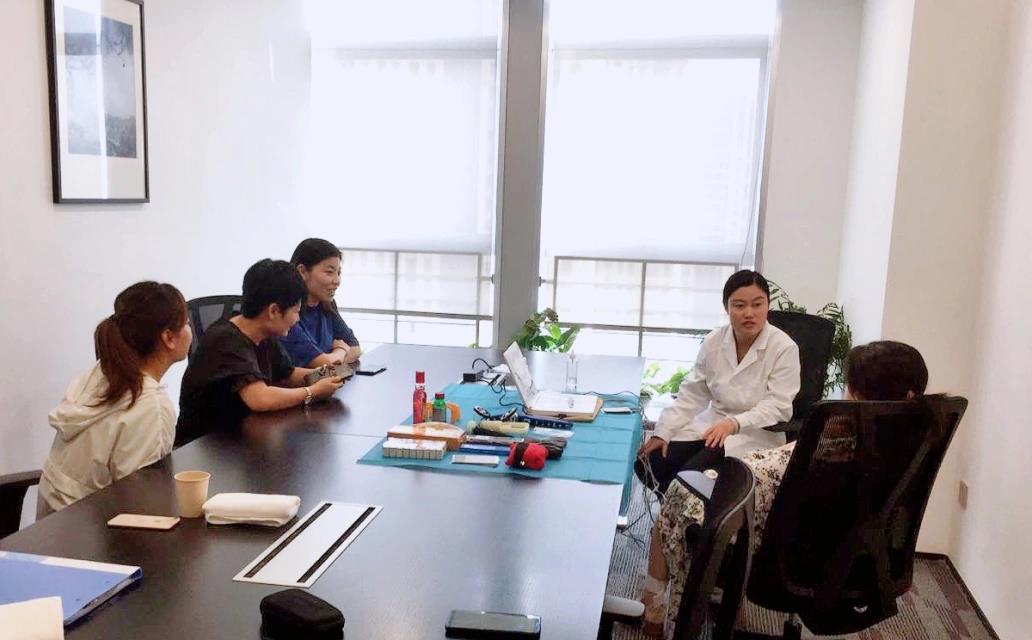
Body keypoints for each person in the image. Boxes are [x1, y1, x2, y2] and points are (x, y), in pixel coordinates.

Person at [640, 341, 930, 636]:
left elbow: (754, 478)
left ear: (854, 393)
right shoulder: (914, 449)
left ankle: (659, 610)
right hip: (863, 564)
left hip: (785, 564)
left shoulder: (817, 453)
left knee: (678, 499)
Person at [635, 270, 801, 495]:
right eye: (739, 305)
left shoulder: (784, 348)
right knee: (649, 462)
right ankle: (677, 511)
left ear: (767, 306)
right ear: (726, 307)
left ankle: (693, 513)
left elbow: (778, 406)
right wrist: (662, 432)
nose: (749, 313)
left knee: (688, 479)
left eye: (757, 304)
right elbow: (692, 394)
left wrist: (734, 424)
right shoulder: (714, 341)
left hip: (753, 433)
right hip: (712, 425)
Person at [37, 282, 193, 517]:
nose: (191, 330)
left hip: (53, 524)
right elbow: (141, 507)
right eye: (187, 323)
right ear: (169, 338)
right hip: (92, 531)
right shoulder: (151, 406)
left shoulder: (102, 372)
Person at [175, 259, 345, 447]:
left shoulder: (263, 333)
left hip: (240, 438)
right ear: (274, 311)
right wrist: (312, 392)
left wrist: (326, 374)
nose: (297, 319)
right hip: (204, 448)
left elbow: (287, 374)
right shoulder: (226, 340)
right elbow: (260, 399)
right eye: (296, 311)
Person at [279, 238, 362, 368]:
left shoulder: (327, 305)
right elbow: (319, 363)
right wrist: (341, 350)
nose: (337, 281)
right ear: (302, 271)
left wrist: (332, 359)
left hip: (325, 380)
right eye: (329, 272)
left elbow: (355, 347)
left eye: (338, 273)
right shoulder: (287, 310)